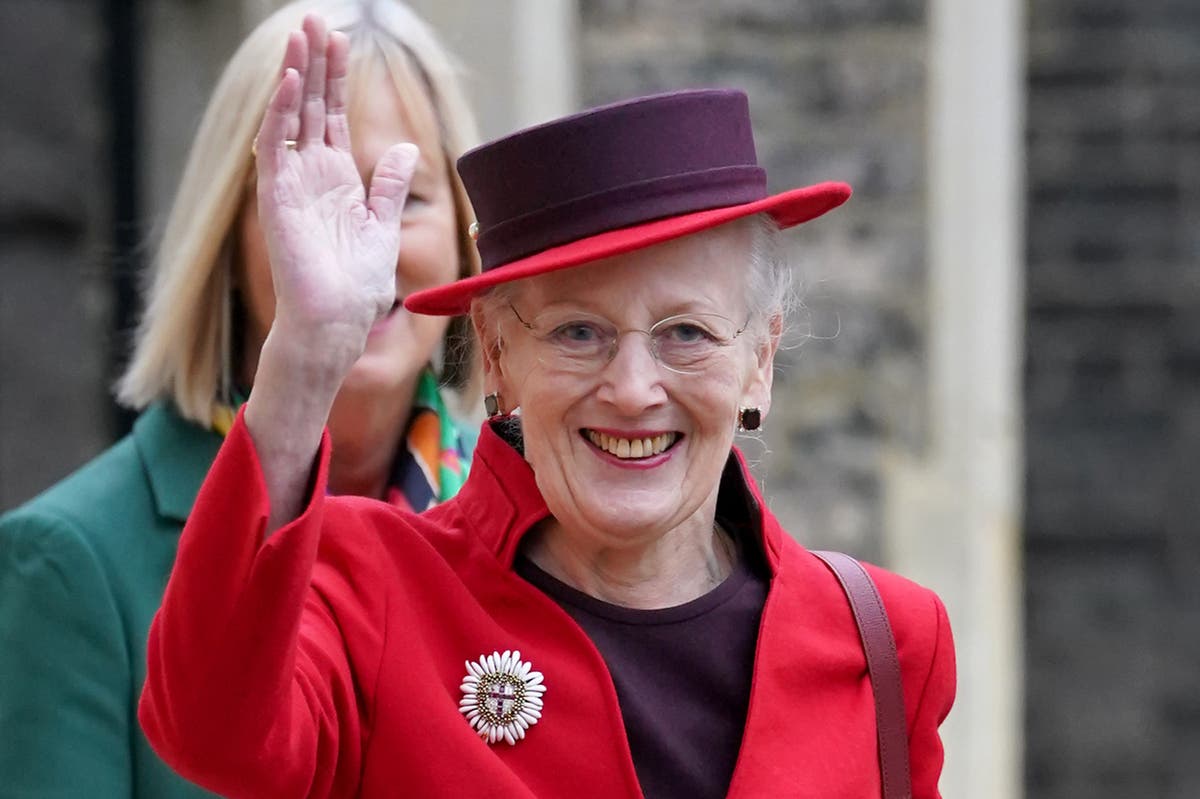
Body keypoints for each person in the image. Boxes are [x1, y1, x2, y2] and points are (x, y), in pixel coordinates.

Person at [138, 13, 957, 799]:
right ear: (497, 358)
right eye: (577, 332)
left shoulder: (884, 639)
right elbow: (209, 734)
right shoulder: (379, 586)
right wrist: (308, 357)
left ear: (760, 361)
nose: (634, 389)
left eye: (687, 333)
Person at [0, 2, 481, 796]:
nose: (365, 242)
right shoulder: (68, 561)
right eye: (320, 190)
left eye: (407, 196)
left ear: (467, 237)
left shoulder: (536, 526)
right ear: (227, 240)